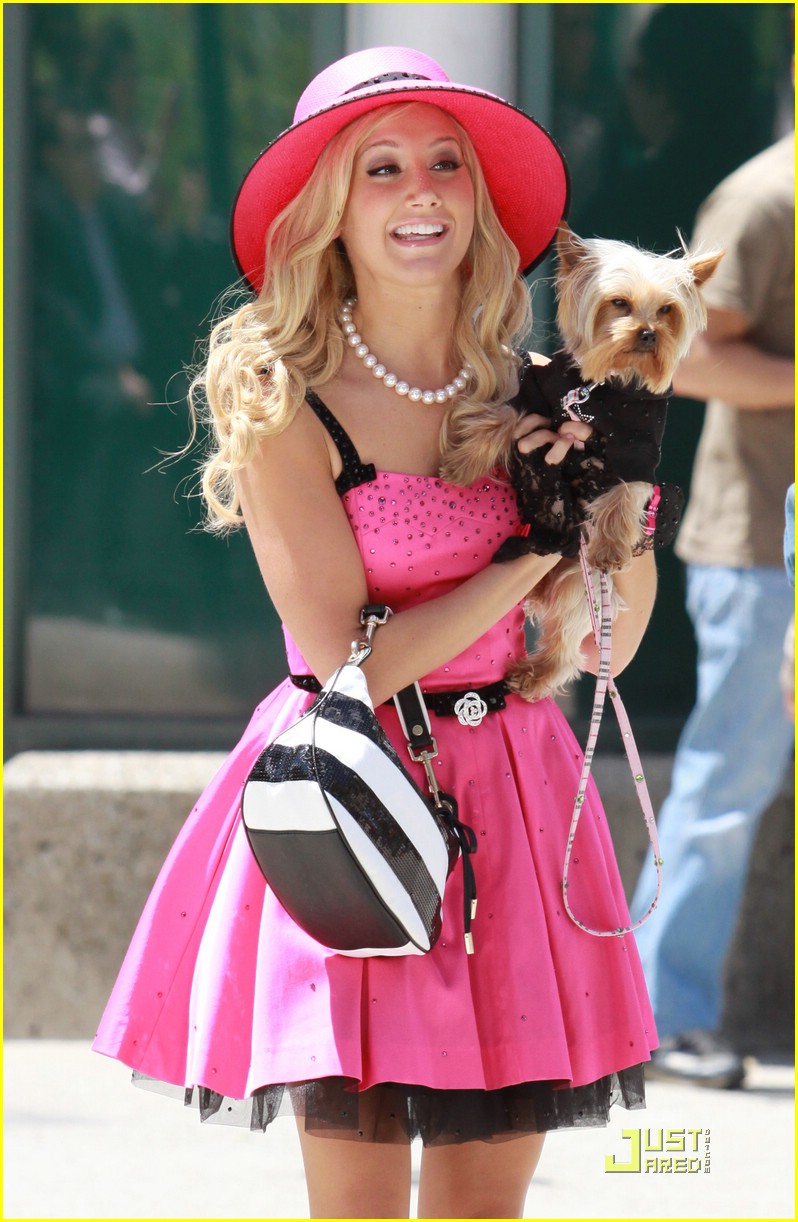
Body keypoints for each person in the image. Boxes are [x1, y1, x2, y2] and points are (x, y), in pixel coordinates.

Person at [93, 47, 659, 1219]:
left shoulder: (545, 389)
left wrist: (625, 514)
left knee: (485, 1208)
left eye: (446, 163)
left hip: (519, 793)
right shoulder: (281, 397)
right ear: (331, 210)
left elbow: (606, 652)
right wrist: (533, 553)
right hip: (352, 802)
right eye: (382, 167)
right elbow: (349, 660)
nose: (421, 192)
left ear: (477, 196)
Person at [630, 130, 795, 1089]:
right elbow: (679, 354)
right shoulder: (767, 199)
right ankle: (657, 1017)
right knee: (728, 786)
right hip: (763, 552)